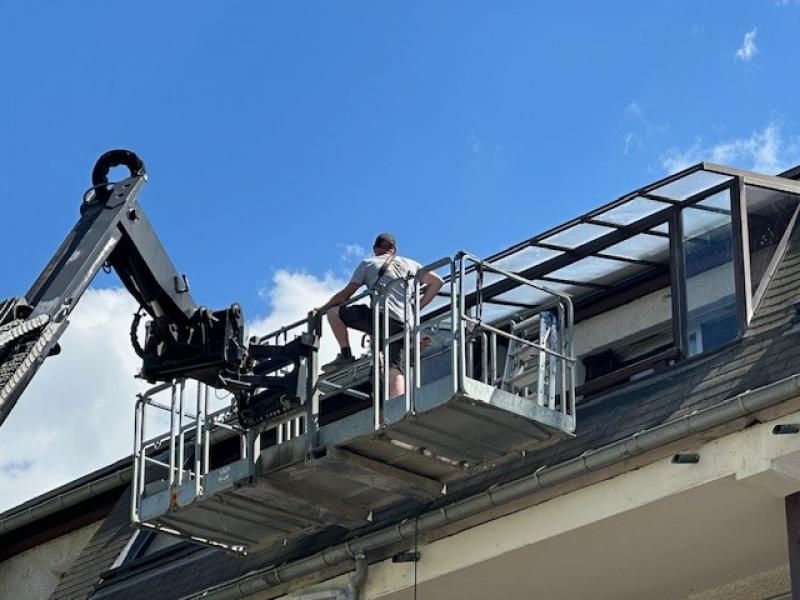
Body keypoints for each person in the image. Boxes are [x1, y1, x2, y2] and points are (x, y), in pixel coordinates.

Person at [317, 233, 444, 398]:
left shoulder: (369, 263)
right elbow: (438, 282)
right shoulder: (411, 264)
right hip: (403, 323)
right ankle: (398, 406)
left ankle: (346, 354)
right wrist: (416, 308)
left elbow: (345, 295)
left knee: (334, 313)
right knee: (394, 368)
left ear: (375, 249)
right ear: (394, 250)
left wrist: (322, 310)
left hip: (381, 317)